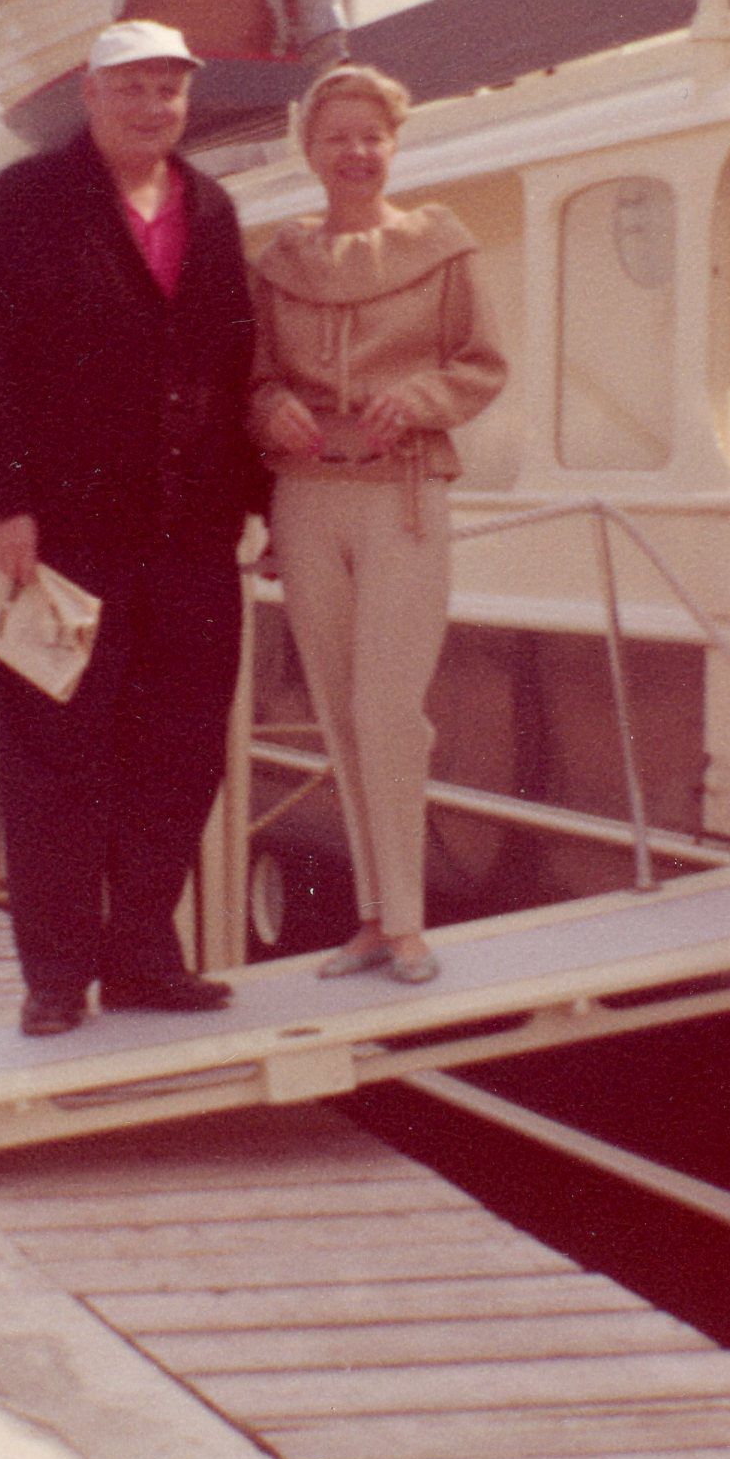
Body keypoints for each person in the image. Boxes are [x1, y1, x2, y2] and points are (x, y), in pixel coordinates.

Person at [0, 20, 263, 1038]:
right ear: (89, 93)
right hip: (62, 534)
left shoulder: (211, 208)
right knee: (55, 755)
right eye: (132, 86)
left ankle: (142, 958)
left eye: (169, 87)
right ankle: (55, 973)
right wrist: (3, 501)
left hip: (190, 537)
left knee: (181, 752)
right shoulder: (23, 201)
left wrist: (255, 503)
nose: (153, 105)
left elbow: (234, 360)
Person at [249, 64, 506, 983]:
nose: (356, 152)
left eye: (372, 136)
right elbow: (250, 378)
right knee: (338, 709)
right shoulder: (277, 263)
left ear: (394, 144)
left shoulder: (442, 246)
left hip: (404, 493)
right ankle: (370, 917)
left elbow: (480, 364)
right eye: (337, 138)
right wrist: (269, 410)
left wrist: (422, 398)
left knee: (387, 707)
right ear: (309, 151)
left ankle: (406, 924)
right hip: (306, 498)